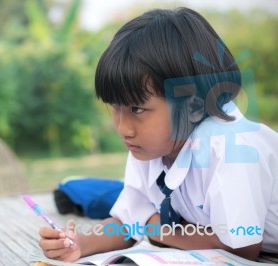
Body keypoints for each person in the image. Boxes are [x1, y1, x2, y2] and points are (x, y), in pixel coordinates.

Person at [38, 7, 278, 262]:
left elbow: (242, 246)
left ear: (193, 105)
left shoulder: (232, 147)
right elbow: (129, 220)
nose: (123, 129)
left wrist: (159, 231)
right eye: (114, 107)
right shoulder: (152, 145)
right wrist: (80, 243)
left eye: (138, 109)